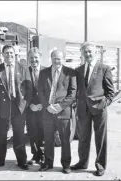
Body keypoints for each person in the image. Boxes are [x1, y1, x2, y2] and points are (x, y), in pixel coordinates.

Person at [71, 42, 114, 176]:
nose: (88, 54)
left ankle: (100, 165)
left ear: (95, 52)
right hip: (83, 109)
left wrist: (104, 103)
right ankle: (82, 162)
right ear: (82, 53)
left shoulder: (104, 68)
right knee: (83, 137)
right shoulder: (78, 70)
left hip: (99, 109)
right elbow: (75, 89)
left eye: (90, 51)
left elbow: (110, 92)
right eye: (85, 52)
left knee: (100, 138)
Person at [0, 44, 33, 170]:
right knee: (1, 135)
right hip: (2, 107)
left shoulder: (23, 68)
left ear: (15, 54)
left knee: (19, 135)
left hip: (18, 106)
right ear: (3, 55)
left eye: (11, 53)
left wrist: (25, 103)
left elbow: (29, 89)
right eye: (6, 53)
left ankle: (22, 161)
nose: (9, 55)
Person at [37, 50, 77, 174]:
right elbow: (40, 91)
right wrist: (47, 106)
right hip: (47, 111)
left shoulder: (70, 73)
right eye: (54, 58)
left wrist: (60, 106)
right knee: (48, 139)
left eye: (59, 58)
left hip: (63, 112)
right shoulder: (43, 73)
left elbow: (72, 93)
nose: (56, 60)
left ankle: (66, 164)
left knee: (65, 139)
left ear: (63, 59)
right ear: (51, 58)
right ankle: (48, 163)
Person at [26, 47, 47, 165]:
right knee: (32, 131)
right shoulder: (25, 71)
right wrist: (30, 105)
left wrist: (42, 104)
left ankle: (43, 154)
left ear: (40, 58)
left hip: (43, 107)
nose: (34, 60)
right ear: (28, 59)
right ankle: (35, 155)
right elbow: (22, 90)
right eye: (31, 58)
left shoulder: (46, 71)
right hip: (30, 108)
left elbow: (50, 90)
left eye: (36, 58)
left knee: (43, 131)